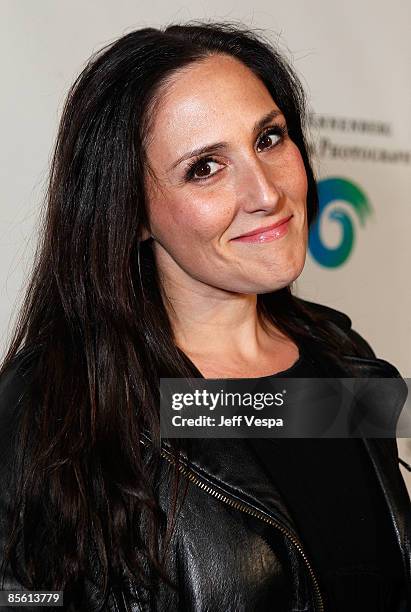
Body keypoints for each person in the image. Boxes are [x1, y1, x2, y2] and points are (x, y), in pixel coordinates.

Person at [0, 20, 410, 612]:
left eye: (268, 139)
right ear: (132, 212)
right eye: (204, 168)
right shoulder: (57, 403)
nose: (266, 192)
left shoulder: (342, 356)